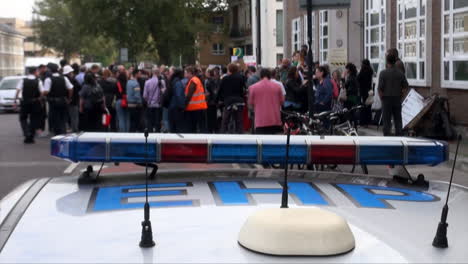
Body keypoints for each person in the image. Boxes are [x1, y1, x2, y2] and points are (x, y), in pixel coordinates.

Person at [378, 53, 409, 136]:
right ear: (395, 61)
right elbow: (405, 87)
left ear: (387, 61)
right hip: (397, 98)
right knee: (398, 119)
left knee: (386, 120)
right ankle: (399, 136)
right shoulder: (400, 73)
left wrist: (382, 99)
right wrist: (401, 96)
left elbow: (380, 88)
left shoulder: (383, 73)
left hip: (386, 99)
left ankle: (387, 137)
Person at [248, 68, 285, 134]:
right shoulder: (278, 86)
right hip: (275, 120)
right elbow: (282, 102)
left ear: (260, 76)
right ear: (270, 75)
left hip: (260, 121)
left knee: (261, 142)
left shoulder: (252, 88)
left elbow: (251, 104)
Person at [14, 67, 43, 143]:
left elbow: (18, 90)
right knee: (34, 119)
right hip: (35, 102)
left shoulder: (23, 80)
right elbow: (42, 92)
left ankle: (26, 133)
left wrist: (15, 100)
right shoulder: (38, 81)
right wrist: (40, 98)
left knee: (23, 118)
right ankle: (31, 136)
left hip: (25, 102)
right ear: (35, 72)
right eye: (37, 71)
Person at [43, 63, 73, 135]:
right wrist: (69, 98)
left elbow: (46, 91)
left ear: (50, 70)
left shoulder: (48, 79)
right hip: (63, 101)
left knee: (56, 119)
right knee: (63, 119)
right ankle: (63, 133)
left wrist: (43, 93)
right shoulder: (64, 78)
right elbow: (71, 88)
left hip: (53, 102)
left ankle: (58, 135)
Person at [218, 63, 245, 133]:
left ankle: (223, 133)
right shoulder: (241, 78)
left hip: (229, 101)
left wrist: (218, 100)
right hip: (239, 100)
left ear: (229, 70)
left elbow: (220, 90)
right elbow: (243, 89)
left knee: (225, 120)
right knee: (239, 120)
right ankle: (240, 133)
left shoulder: (225, 78)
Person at [184, 66, 208, 133]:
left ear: (189, 73)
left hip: (194, 108)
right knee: (202, 127)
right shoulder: (196, 80)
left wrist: (184, 105)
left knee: (192, 128)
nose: (184, 75)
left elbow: (189, 95)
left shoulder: (193, 81)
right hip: (200, 107)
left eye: (185, 73)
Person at [143, 68, 164, 132]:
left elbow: (145, 95)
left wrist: (148, 101)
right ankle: (157, 134)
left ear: (152, 73)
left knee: (150, 121)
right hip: (158, 105)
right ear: (158, 73)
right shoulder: (162, 82)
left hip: (150, 105)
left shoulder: (147, 82)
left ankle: (150, 134)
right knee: (158, 122)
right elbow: (164, 93)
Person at [63, 65, 81, 132]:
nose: (72, 73)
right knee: (74, 117)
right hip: (73, 101)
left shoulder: (63, 79)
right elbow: (79, 88)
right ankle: (75, 130)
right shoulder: (73, 80)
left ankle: (67, 128)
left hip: (65, 101)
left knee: (67, 116)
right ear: (69, 72)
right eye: (71, 72)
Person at [168, 69, 186, 133]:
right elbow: (179, 95)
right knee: (178, 127)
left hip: (171, 106)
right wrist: (183, 106)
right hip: (176, 107)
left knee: (172, 127)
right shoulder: (178, 83)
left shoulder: (172, 81)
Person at [357, 59, 374, 126]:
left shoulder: (362, 71)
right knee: (368, 106)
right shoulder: (370, 71)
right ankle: (368, 121)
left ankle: (363, 122)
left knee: (363, 107)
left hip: (363, 91)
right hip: (369, 90)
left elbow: (358, 78)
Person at [204, 69, 219, 133]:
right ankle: (215, 129)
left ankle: (210, 130)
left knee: (209, 118)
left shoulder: (209, 81)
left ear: (209, 73)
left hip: (209, 102)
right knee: (214, 117)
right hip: (213, 102)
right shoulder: (214, 81)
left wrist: (208, 98)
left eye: (206, 72)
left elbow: (211, 92)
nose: (205, 73)